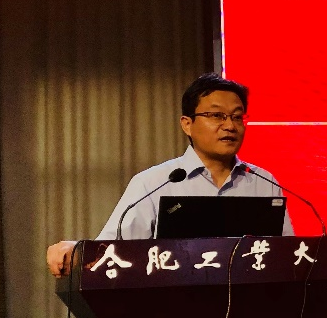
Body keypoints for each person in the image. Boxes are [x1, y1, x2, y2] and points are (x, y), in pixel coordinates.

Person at [46, 73, 294, 276]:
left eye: (237, 117)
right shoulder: (154, 182)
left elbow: (286, 255)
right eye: (216, 116)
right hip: (174, 310)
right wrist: (76, 250)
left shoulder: (263, 182)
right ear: (187, 124)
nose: (229, 126)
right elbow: (114, 248)